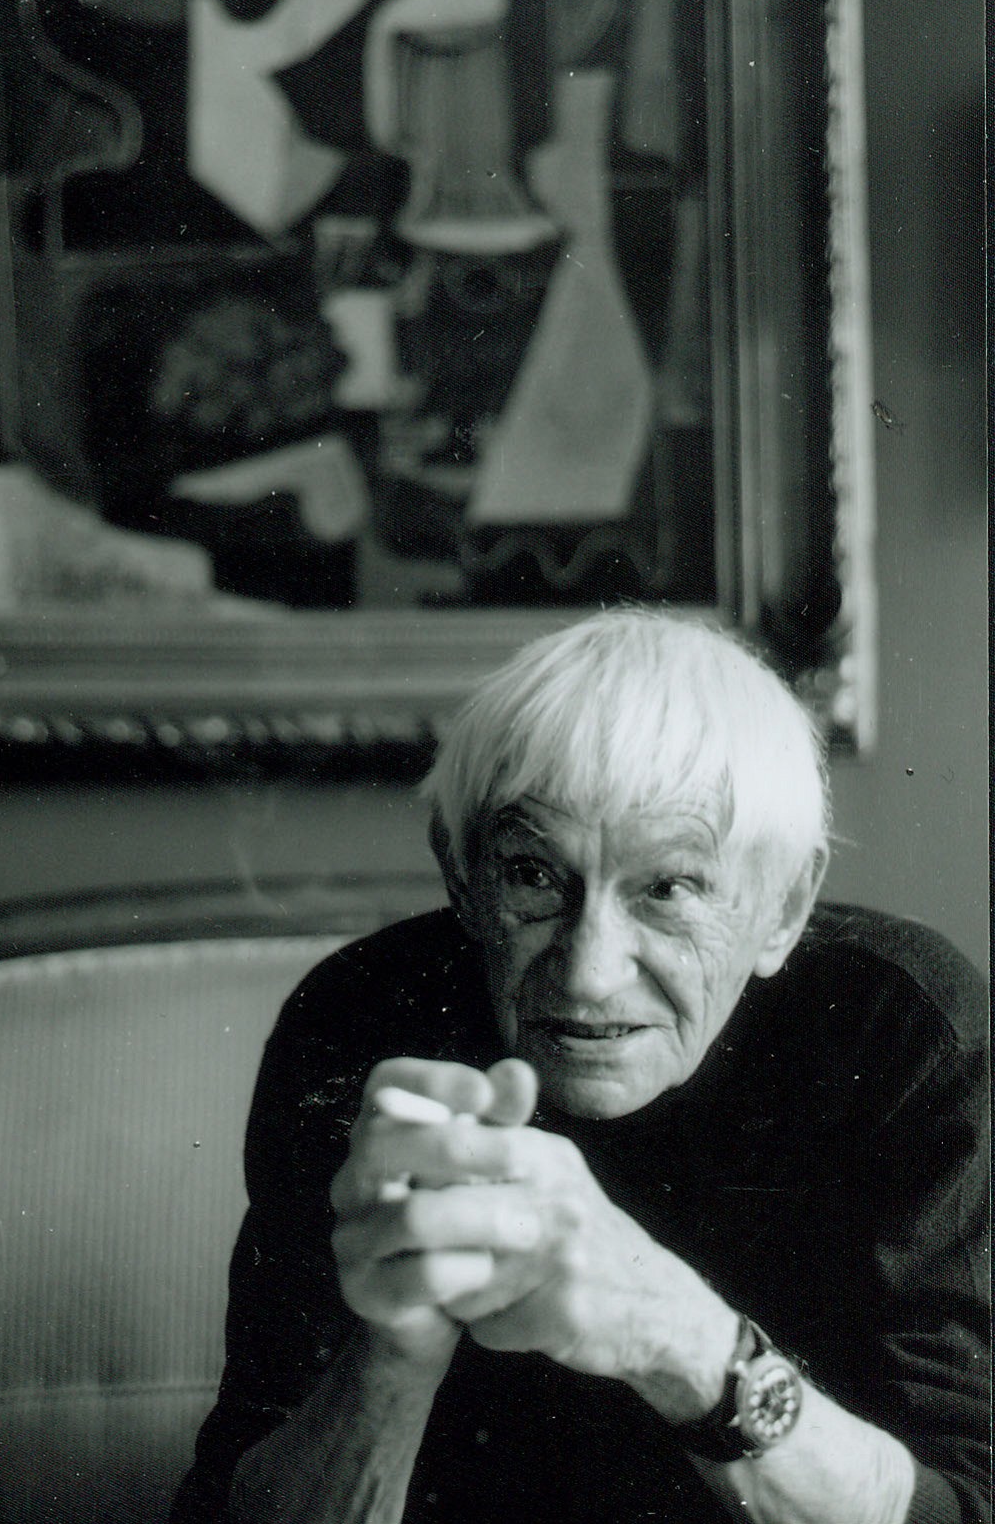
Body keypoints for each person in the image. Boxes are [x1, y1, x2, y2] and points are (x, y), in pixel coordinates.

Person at [172, 609, 989, 1524]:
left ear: (785, 906)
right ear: (460, 873)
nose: (588, 974)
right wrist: (395, 1349)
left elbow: (963, 1503)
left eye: (668, 886)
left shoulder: (901, 1033)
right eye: (531, 873)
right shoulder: (362, 1021)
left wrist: (677, 1336)